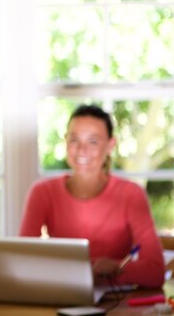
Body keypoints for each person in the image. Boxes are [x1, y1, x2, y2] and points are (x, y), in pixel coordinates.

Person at [20, 104, 165, 288]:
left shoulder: (131, 194)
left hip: (116, 302)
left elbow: (156, 271)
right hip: (61, 296)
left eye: (93, 141)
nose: (82, 150)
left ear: (110, 144)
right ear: (65, 141)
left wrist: (115, 270)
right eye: (74, 140)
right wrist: (89, 272)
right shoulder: (42, 192)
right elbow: (23, 261)